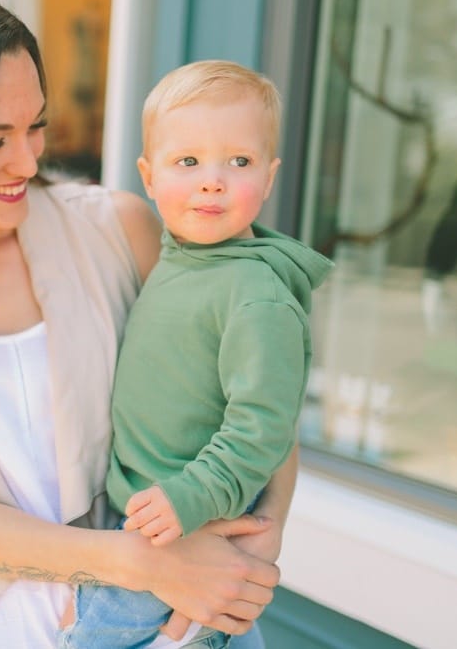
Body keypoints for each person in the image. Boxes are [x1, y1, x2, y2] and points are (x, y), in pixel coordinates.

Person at [0, 0, 292, 647]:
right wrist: (138, 562)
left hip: (149, 618)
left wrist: (250, 552)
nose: (27, 160)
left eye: (35, 126)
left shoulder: (119, 231)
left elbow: (263, 395)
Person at [60, 60, 333, 649]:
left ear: (269, 176)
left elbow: (262, 428)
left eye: (239, 162)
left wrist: (191, 499)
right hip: (142, 527)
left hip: (190, 531)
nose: (213, 180)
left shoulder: (256, 296)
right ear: (149, 176)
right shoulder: (181, 260)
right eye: (188, 162)